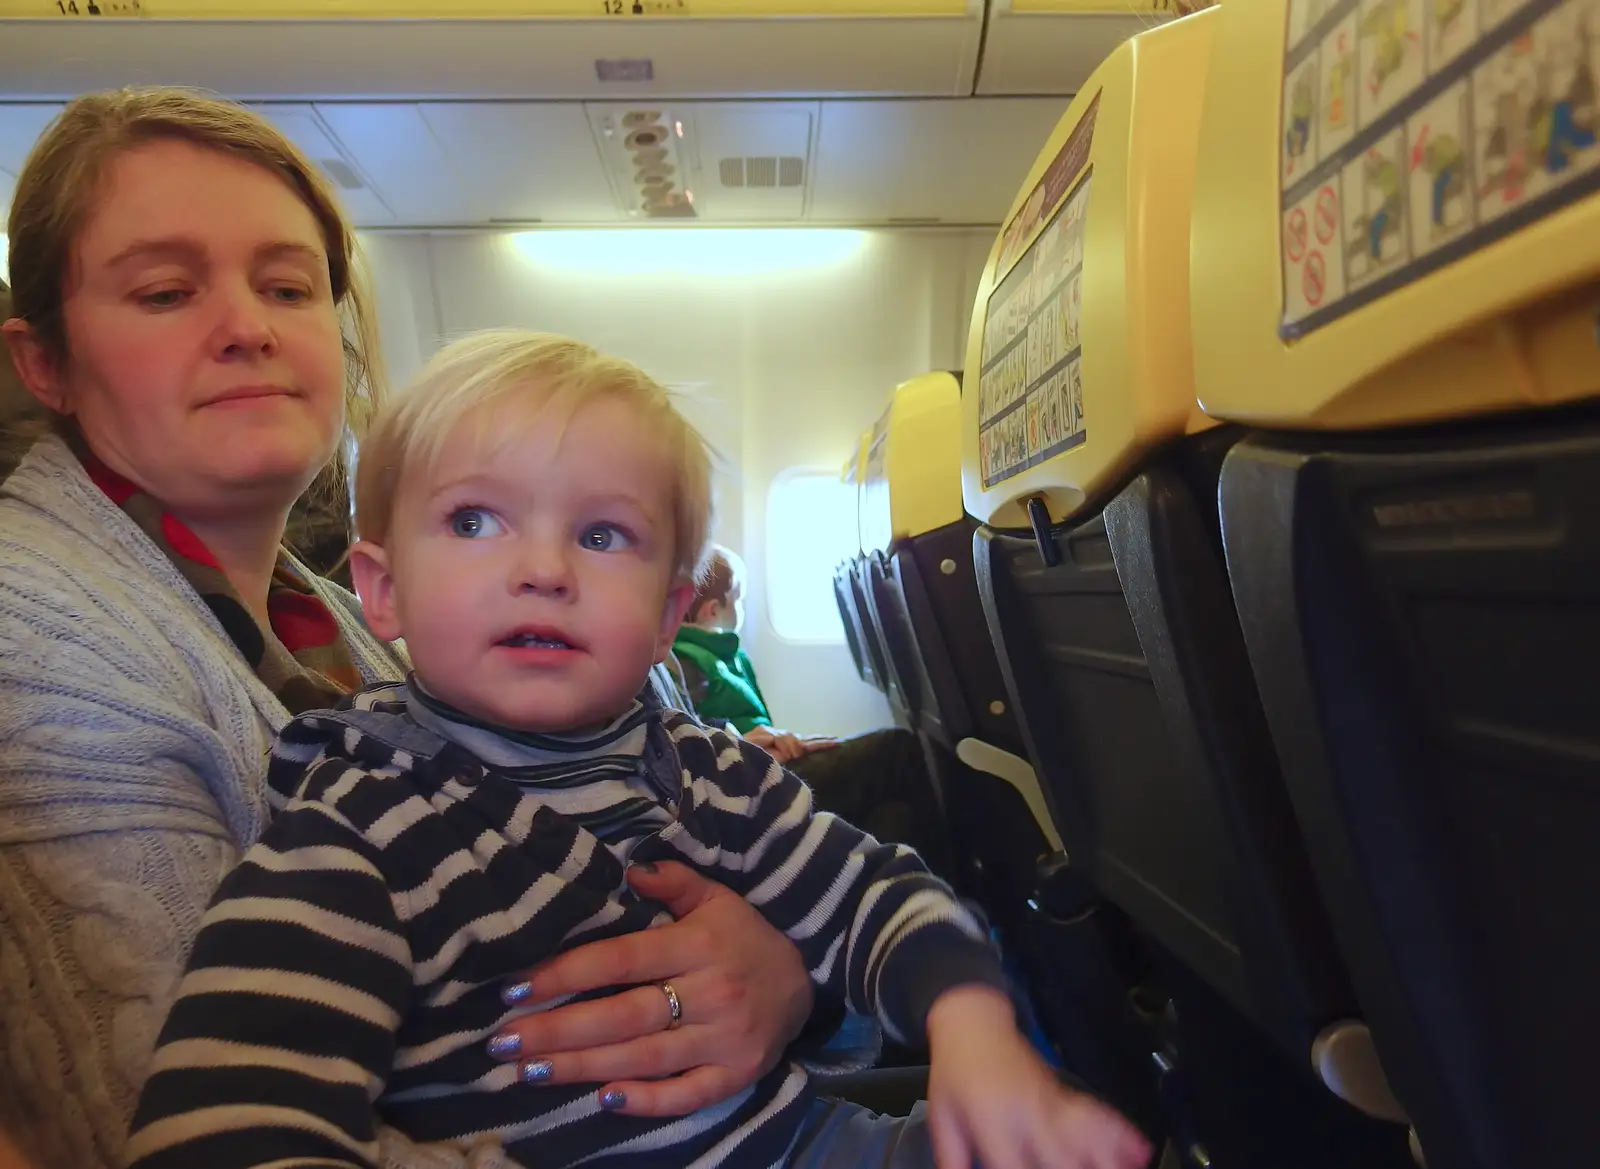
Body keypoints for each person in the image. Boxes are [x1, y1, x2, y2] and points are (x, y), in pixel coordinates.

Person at [0, 88, 820, 1169]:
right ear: (44, 362)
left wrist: (777, 971)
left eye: (287, 285)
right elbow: (182, 1129)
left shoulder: (333, 608)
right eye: (165, 291)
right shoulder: (43, 640)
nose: (247, 325)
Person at [125, 330, 1151, 1169]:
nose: (542, 568)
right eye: (475, 519)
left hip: (797, 1141)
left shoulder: (705, 774)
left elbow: (876, 891)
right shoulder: (357, 833)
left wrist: (973, 1030)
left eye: (603, 535)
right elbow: (225, 1124)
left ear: (668, 616)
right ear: (382, 590)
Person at [674, 545, 956, 879]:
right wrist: (739, 746)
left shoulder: (720, 655)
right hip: (747, 787)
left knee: (895, 815)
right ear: (711, 610)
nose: (742, 607)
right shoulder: (690, 662)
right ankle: (961, 895)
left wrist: (774, 741)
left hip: (759, 766)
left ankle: (918, 907)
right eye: (738, 599)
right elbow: (690, 738)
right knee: (899, 749)